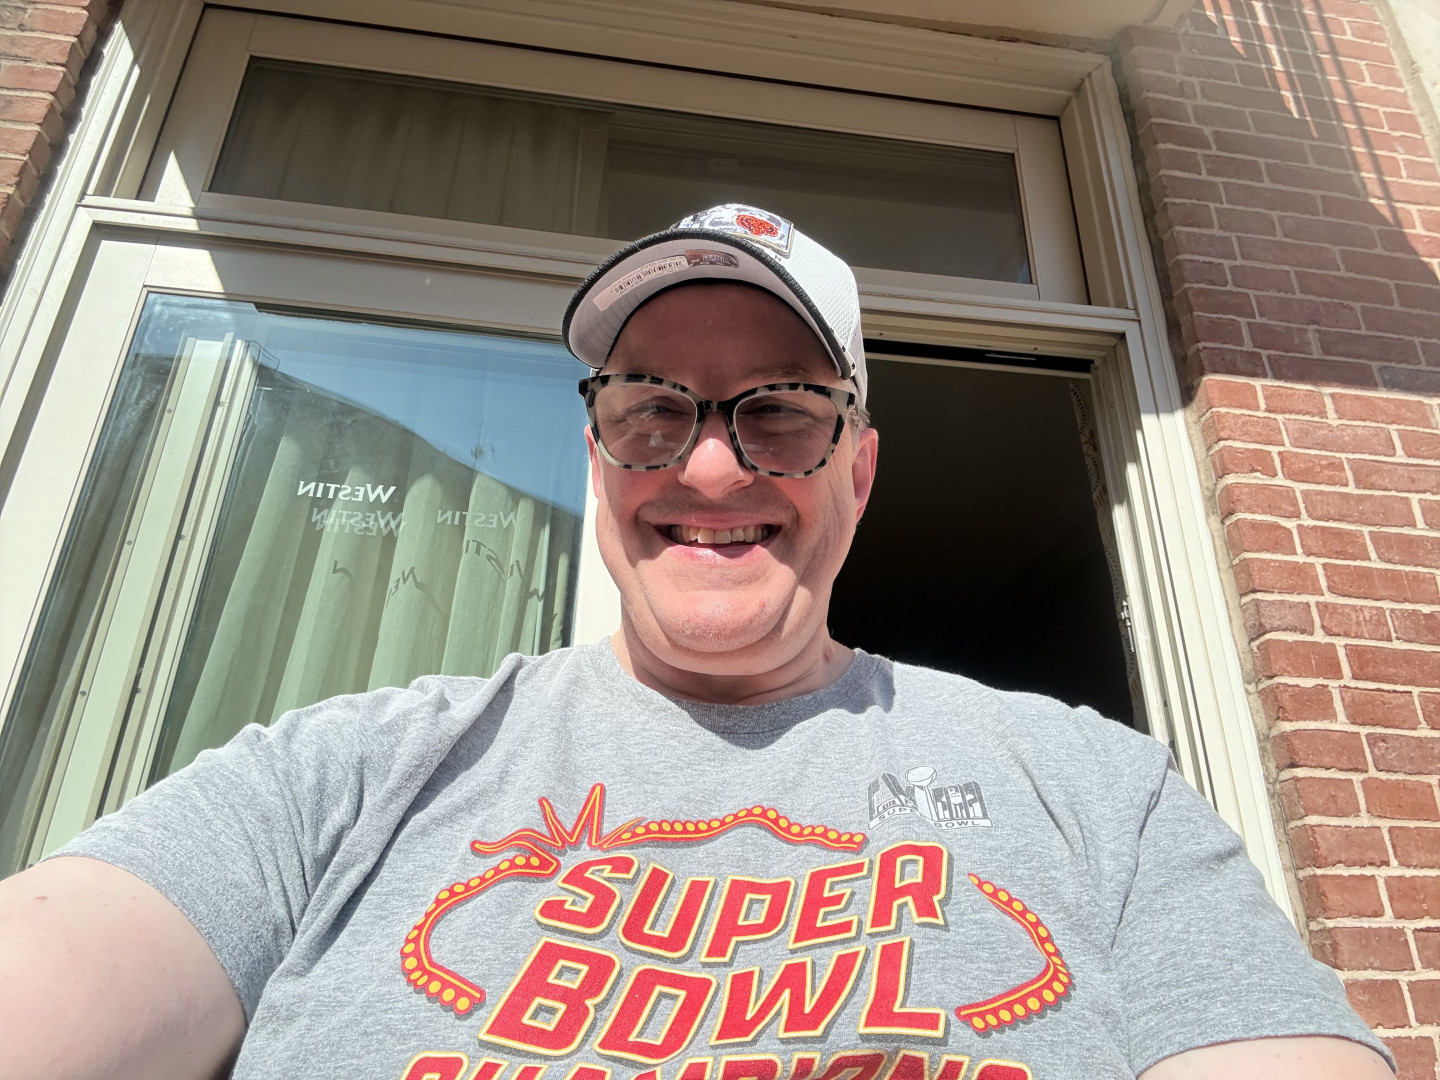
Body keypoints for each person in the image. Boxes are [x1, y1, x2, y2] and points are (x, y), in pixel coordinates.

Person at [0, 204, 1392, 1080]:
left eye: (779, 409)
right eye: (652, 409)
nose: (711, 468)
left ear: (859, 472)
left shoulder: (1097, 789)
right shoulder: (343, 777)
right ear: (598, 457)